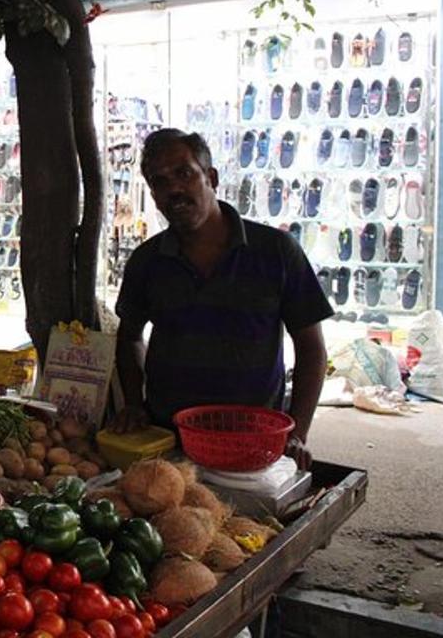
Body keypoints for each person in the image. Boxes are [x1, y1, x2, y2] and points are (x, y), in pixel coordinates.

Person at [110, 129, 332, 468]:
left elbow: (311, 348)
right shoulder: (146, 261)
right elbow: (129, 338)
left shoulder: (276, 251)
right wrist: (134, 405)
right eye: (160, 182)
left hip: (254, 440)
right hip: (168, 440)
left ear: (210, 177)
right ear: (153, 194)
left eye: (184, 173)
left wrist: (296, 431)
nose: (174, 189)